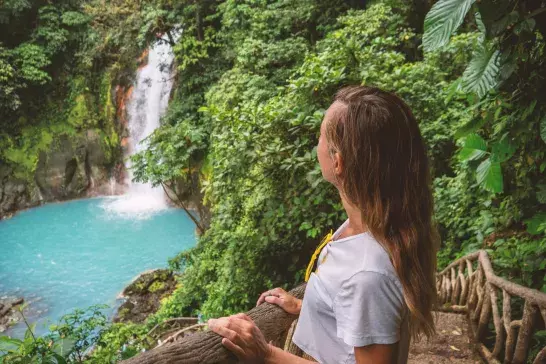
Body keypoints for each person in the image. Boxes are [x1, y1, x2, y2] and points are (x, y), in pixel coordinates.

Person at [208, 86, 439, 364]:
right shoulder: (370, 225)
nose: (315, 144)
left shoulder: (369, 274)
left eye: (320, 136)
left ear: (337, 161)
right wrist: (309, 307)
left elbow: (363, 293)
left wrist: (265, 353)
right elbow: (353, 311)